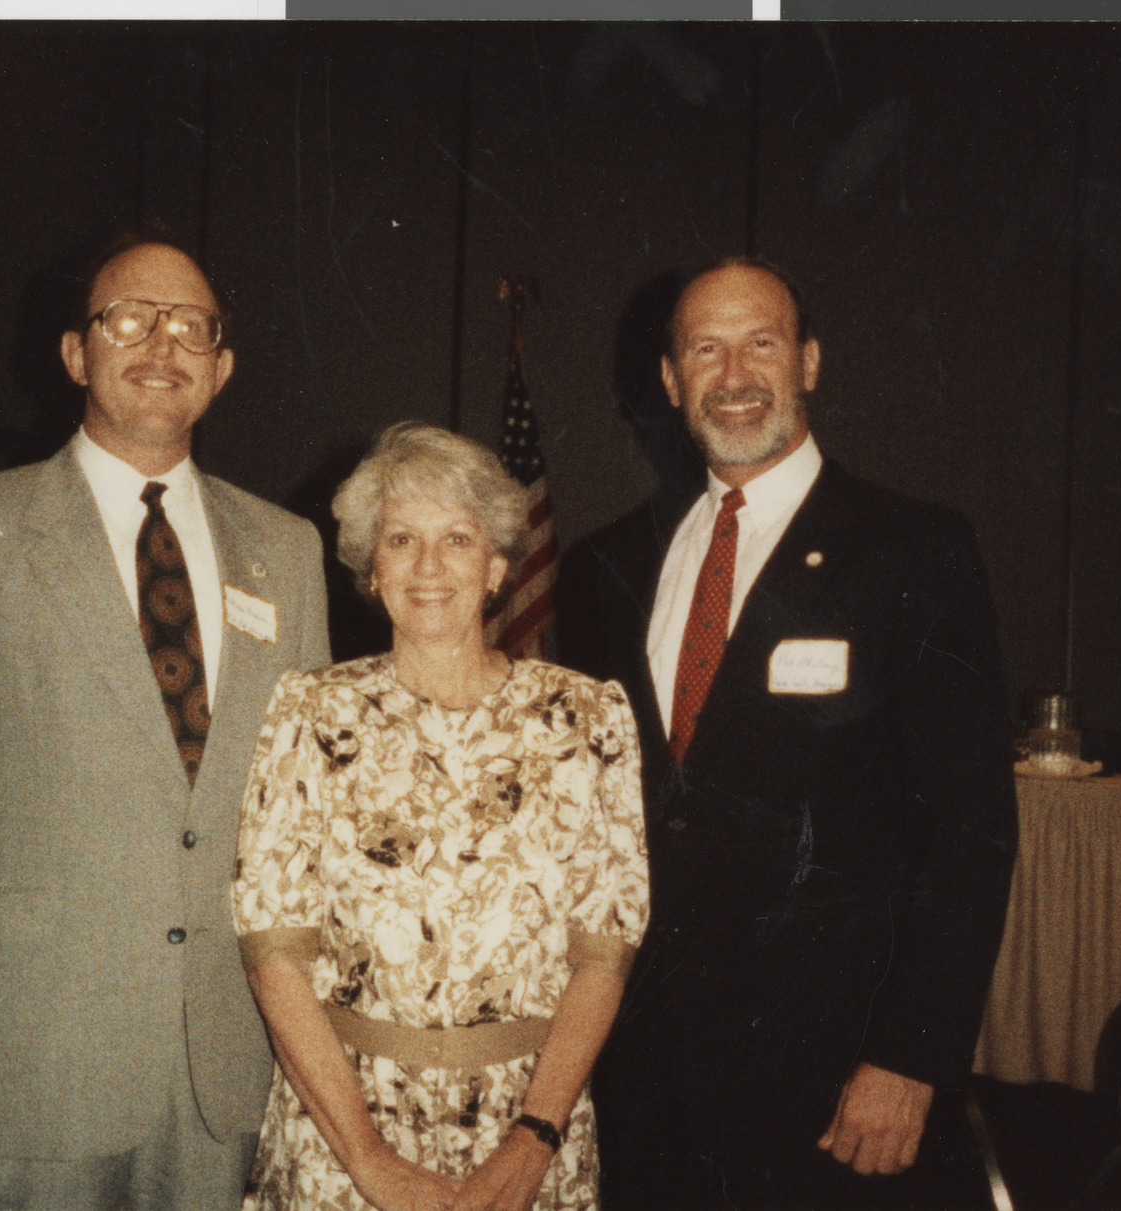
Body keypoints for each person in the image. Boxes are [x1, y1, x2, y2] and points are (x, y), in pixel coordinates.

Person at [0, 233, 330, 1209]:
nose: (163, 343)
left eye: (193, 325)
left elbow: (304, 823)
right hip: (19, 1072)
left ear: (222, 367)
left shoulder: (288, 549)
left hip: (219, 1069)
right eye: (128, 318)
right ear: (75, 353)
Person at [560, 258, 1018, 1209]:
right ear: (670, 381)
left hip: (833, 1084)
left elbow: (971, 829)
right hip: (646, 1079)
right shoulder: (609, 564)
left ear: (807, 361)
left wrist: (912, 1053)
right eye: (706, 349)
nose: (735, 374)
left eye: (761, 343)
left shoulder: (913, 548)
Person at [231, 422, 649, 1211]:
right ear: (371, 567)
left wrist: (533, 1141)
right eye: (401, 539)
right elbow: (273, 954)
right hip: (339, 1142)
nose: (428, 567)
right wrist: (369, 1160)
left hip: (527, 1130)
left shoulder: (586, 719)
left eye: (457, 539)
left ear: (496, 565)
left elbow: (604, 953)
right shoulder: (309, 713)